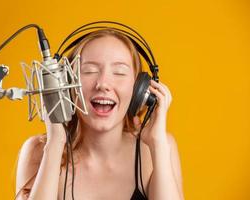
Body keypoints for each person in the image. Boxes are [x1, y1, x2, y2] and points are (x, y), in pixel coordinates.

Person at [15, 28, 184, 200]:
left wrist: (158, 145)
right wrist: (55, 143)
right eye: (89, 71)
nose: (103, 84)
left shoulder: (159, 148)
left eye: (119, 72)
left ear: (140, 90)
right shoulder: (38, 151)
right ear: (65, 83)